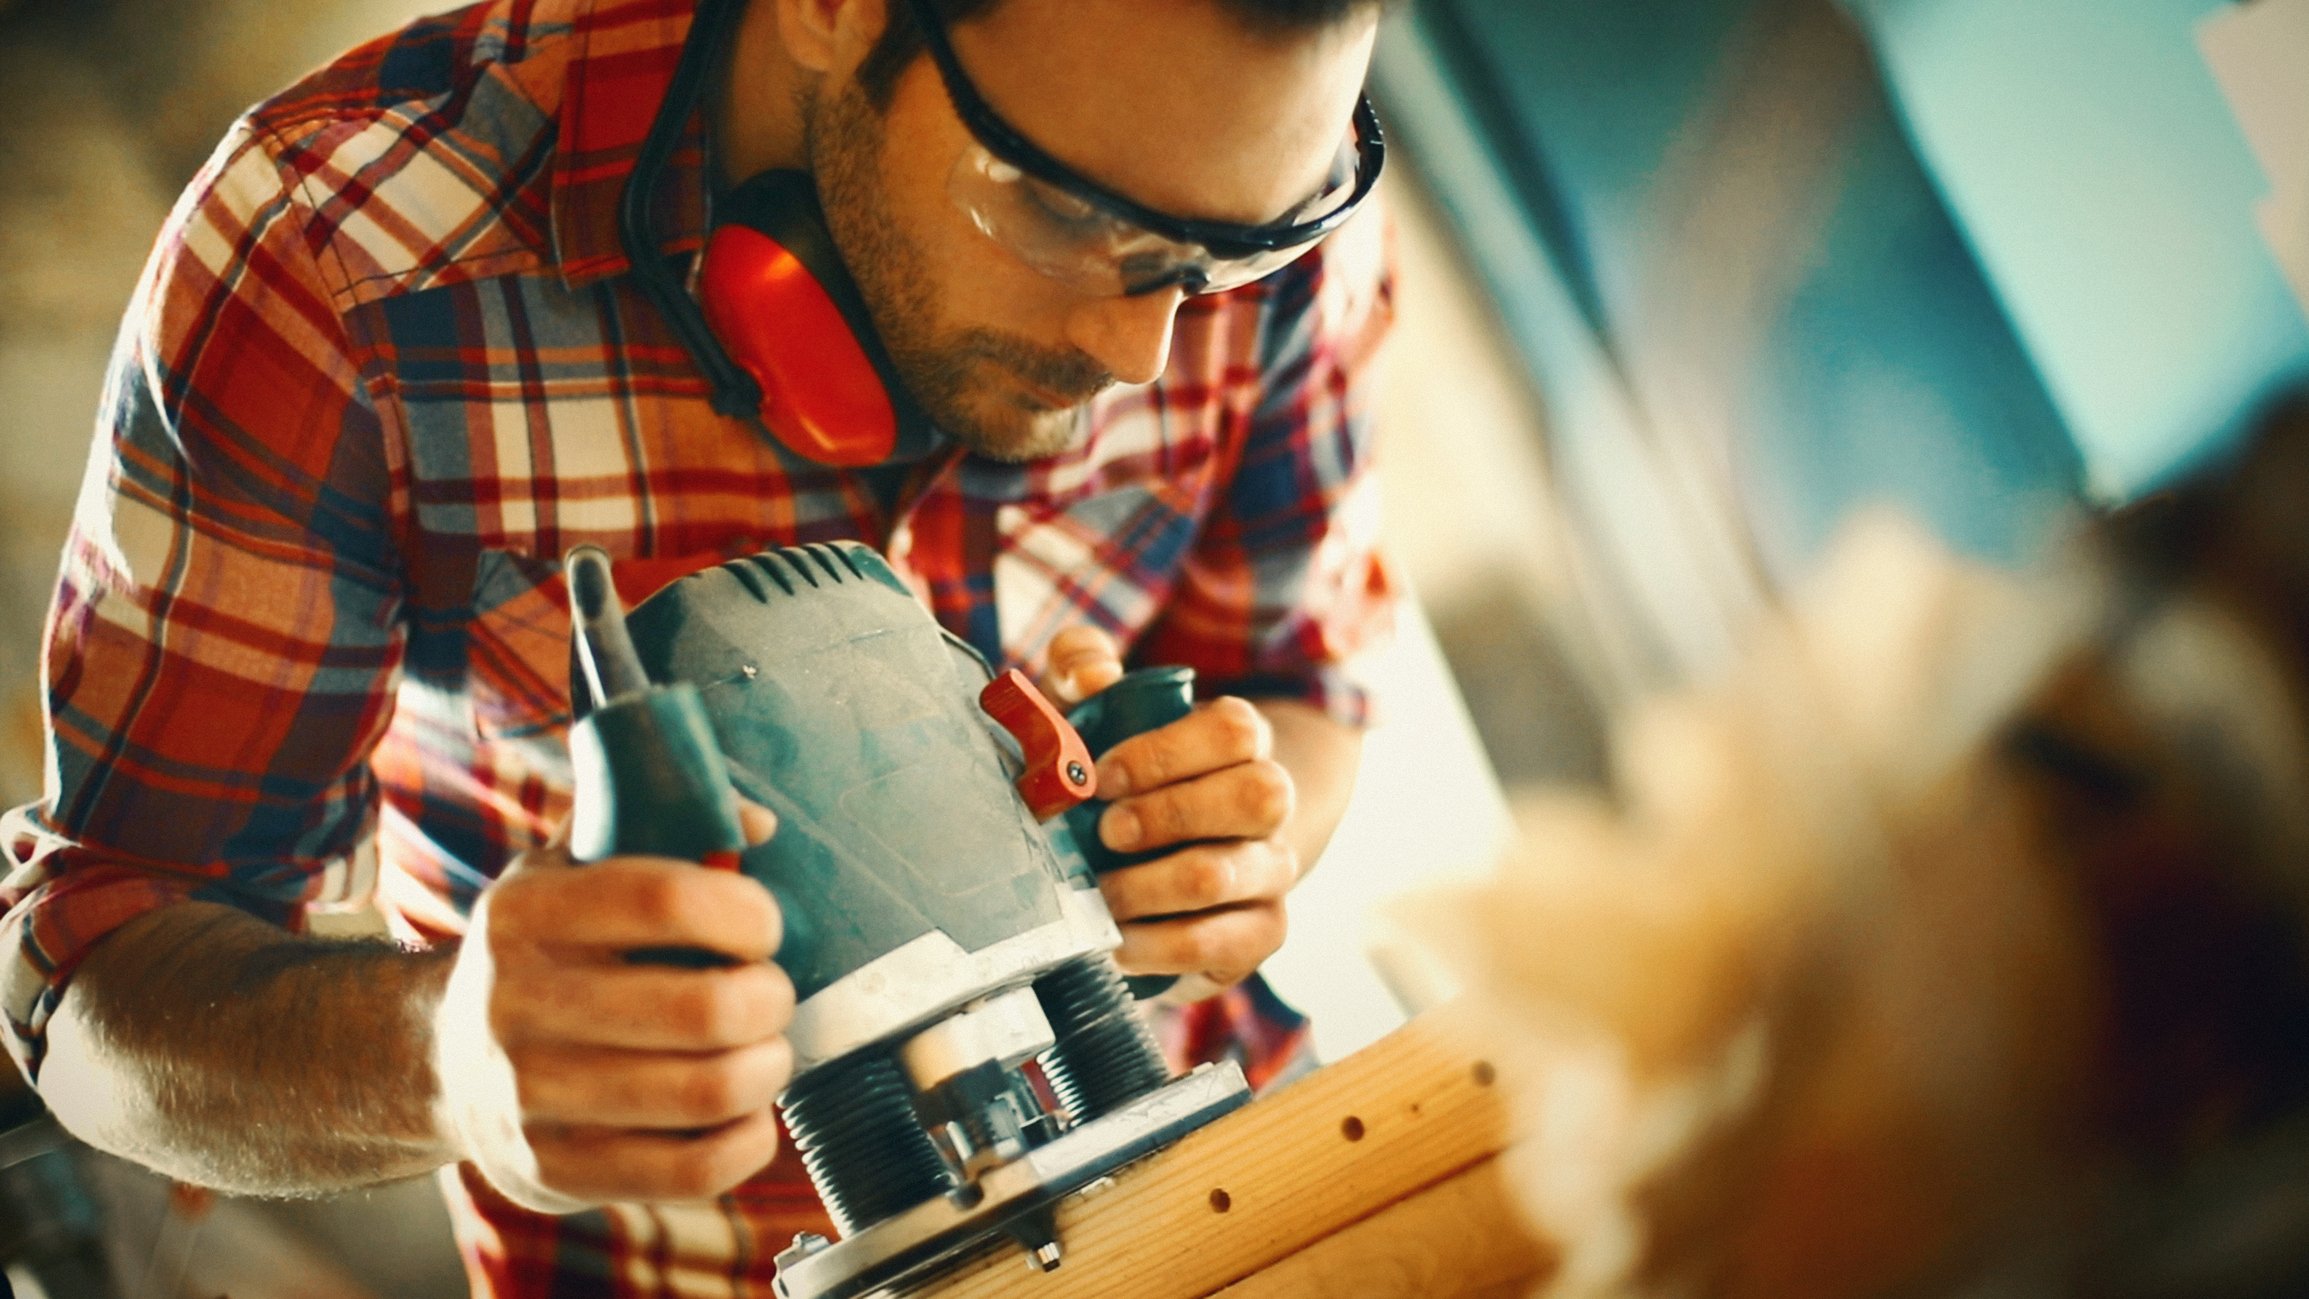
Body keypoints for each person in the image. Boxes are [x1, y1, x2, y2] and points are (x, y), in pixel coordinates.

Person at [0, 0, 1397, 1292]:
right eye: (1054, 209)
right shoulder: (346, 261)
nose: (1144, 343)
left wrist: (1221, 834)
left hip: (1228, 1186)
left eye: (1233, 253)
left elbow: (1299, 677)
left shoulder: (1251, 186)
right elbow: (95, 985)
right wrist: (448, 1063)